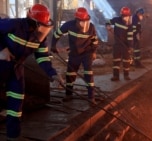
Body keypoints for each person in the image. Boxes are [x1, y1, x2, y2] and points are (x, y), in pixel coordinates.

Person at [0, 4, 64, 140]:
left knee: (16, 103)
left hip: (16, 70)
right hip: (1, 65)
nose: (42, 29)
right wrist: (2, 49)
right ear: (33, 21)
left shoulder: (40, 38)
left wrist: (53, 74)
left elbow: (43, 58)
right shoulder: (14, 24)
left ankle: (13, 136)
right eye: (40, 25)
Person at [51, 7, 99, 103]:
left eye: (86, 21)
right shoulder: (69, 25)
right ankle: (69, 95)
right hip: (74, 53)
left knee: (88, 73)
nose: (84, 24)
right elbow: (56, 34)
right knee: (70, 74)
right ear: (76, 20)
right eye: (82, 22)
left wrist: (93, 52)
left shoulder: (91, 27)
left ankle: (91, 97)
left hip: (87, 53)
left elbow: (95, 41)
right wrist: (53, 46)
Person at [105, 6, 134, 81]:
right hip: (117, 44)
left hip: (125, 46)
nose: (126, 18)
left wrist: (130, 46)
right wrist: (108, 25)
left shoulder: (130, 24)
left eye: (127, 16)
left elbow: (130, 37)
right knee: (116, 60)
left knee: (126, 61)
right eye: (124, 16)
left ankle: (126, 75)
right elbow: (107, 20)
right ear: (121, 15)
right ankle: (116, 76)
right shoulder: (116, 20)